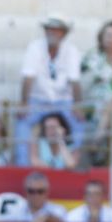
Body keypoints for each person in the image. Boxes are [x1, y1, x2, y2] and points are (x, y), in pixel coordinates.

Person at [15, 13, 83, 167]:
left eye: (57, 29)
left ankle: (76, 165)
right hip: (37, 99)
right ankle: (22, 165)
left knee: (79, 124)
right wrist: (24, 102)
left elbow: (75, 81)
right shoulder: (35, 47)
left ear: (64, 33)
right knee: (22, 124)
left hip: (64, 101)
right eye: (49, 29)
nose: (52, 32)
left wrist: (78, 106)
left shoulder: (71, 50)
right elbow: (28, 77)